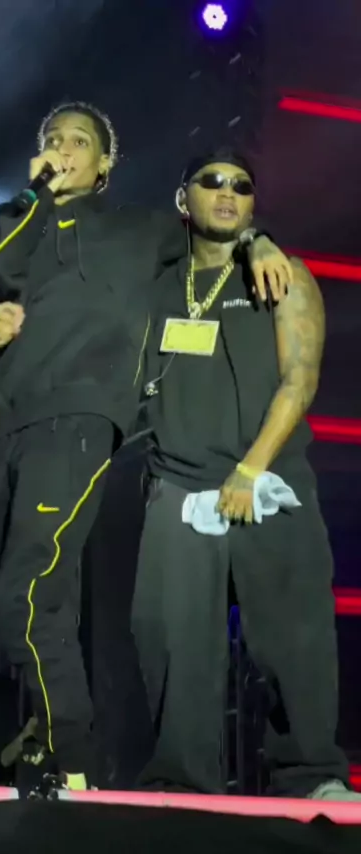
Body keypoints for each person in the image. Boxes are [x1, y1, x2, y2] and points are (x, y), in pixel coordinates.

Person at [0, 105, 291, 794]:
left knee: (27, 594)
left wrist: (258, 239)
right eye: (52, 140)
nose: (63, 150)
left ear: (105, 165)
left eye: (79, 141)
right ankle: (56, 743)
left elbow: (215, 224)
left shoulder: (139, 230)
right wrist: (28, 206)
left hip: (80, 417)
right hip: (7, 424)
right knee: (38, 599)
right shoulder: (26, 225)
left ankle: (73, 756)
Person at [131, 148, 360, 801]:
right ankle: (182, 786)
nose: (228, 192)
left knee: (295, 638)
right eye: (212, 182)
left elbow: (300, 379)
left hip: (267, 479)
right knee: (171, 642)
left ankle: (311, 777)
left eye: (242, 185)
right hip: (179, 485)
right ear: (184, 199)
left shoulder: (281, 273)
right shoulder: (155, 285)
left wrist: (250, 468)